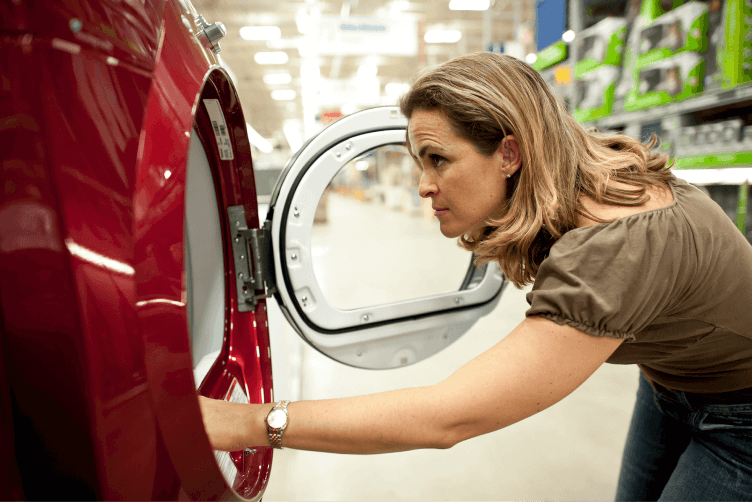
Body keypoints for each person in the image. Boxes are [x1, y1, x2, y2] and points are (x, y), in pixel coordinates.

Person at [200, 52, 752, 500]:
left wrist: (247, 423)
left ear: (510, 152)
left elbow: (449, 417)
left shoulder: (615, 248)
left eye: (438, 159)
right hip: (671, 386)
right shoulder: (580, 178)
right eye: (419, 161)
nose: (422, 184)